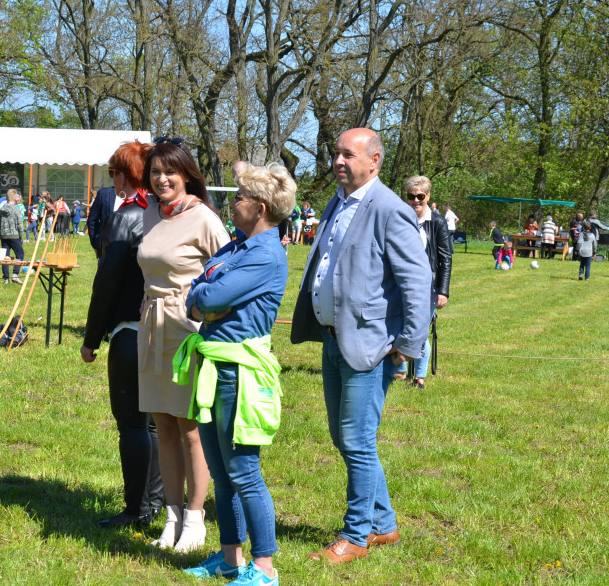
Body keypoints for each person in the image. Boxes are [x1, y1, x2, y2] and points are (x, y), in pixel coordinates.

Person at [291, 128, 431, 564]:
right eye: (336, 153)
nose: (338, 161)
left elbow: (417, 282)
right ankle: (384, 525)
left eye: (347, 155)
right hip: (335, 340)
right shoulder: (339, 201)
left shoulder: (390, 209)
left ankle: (356, 535)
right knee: (346, 436)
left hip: (370, 345)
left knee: (356, 439)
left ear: (374, 161)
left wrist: (407, 344)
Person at [179, 163, 295, 586]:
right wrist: (201, 299)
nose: (233, 201)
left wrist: (203, 298)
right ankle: (231, 559)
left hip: (238, 374)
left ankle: (264, 569)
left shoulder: (265, 254)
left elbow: (211, 295)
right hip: (214, 367)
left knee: (244, 472)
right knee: (220, 470)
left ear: (260, 207)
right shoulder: (238, 245)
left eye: (241, 196)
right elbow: (199, 291)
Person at [137, 138, 228, 552]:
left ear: (187, 174)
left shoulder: (204, 218)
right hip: (151, 326)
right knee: (164, 426)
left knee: (191, 426)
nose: (162, 179)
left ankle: (196, 518)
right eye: (155, 171)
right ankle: (171, 517)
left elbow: (228, 274)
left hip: (188, 328)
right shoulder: (150, 215)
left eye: (169, 171)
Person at [81, 141, 164, 529]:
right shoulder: (173, 214)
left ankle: (137, 508)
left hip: (132, 330)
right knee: (156, 424)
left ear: (128, 175)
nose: (110, 179)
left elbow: (106, 284)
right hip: (172, 331)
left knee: (133, 423)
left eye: (114, 171)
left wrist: (91, 337)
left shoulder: (127, 216)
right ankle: (158, 501)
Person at [396, 176, 452, 389]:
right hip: (400, 283)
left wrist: (443, 291)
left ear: (428, 196)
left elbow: (445, 258)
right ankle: (399, 371)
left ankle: (419, 377)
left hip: (427, 286)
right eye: (412, 196)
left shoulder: (437, 222)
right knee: (398, 326)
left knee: (419, 330)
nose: (416, 200)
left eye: (421, 196)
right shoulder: (400, 217)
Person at [0, 189, 26, 284]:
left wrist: (1, 235)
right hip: (14, 236)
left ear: (6, 198)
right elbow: (20, 225)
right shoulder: (16, 210)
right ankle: (15, 275)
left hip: (4, 236)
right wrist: (21, 236)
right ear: (16, 198)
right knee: (20, 254)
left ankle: (6, 278)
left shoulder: (1, 210)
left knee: (5, 257)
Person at [88, 186, 118, 257]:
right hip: (107, 252)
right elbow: (92, 220)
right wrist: (96, 244)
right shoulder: (104, 193)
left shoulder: (140, 194)